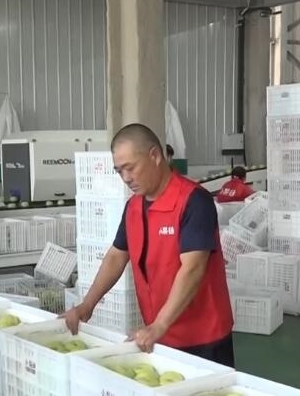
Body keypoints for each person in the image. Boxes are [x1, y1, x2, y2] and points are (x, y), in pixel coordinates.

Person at [63, 123, 234, 367]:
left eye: (130, 168)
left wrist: (159, 325)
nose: (126, 178)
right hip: (159, 336)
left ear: (154, 156)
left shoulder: (194, 201)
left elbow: (193, 269)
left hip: (203, 337)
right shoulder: (133, 207)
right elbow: (116, 257)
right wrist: (87, 305)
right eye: (119, 171)